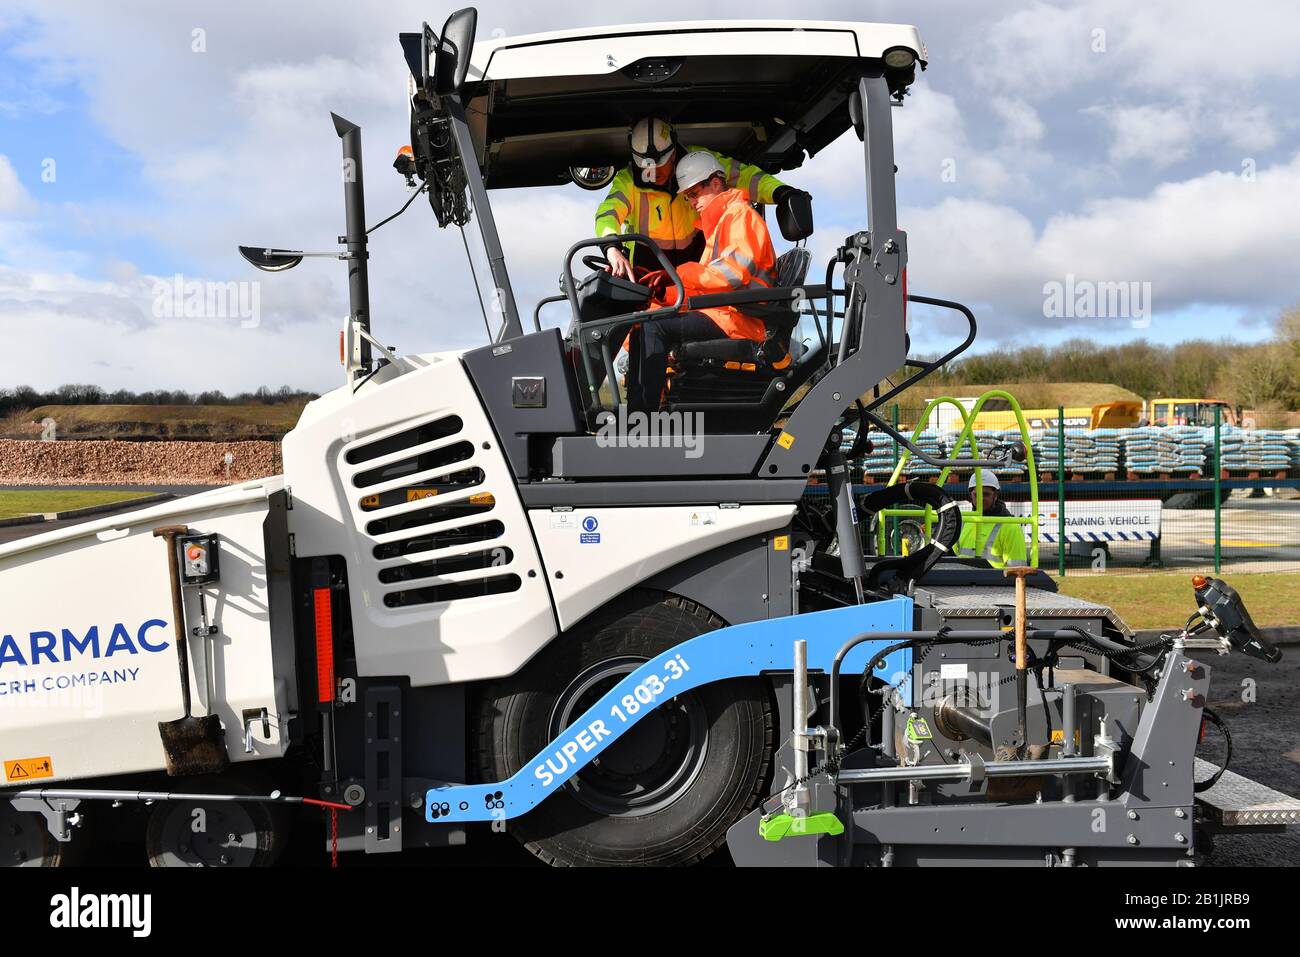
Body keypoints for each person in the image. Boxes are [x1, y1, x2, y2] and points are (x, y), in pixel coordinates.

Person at [624, 151, 778, 413]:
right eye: (688, 197)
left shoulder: (740, 216)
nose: (692, 202)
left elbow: (732, 273)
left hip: (742, 318)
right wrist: (663, 293)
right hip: (724, 312)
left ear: (716, 183)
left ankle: (642, 416)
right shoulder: (719, 225)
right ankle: (643, 408)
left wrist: (680, 273)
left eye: (695, 194)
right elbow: (704, 285)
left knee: (655, 328)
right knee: (642, 320)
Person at [595, 117, 808, 279]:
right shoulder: (628, 180)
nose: (654, 171)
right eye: (646, 165)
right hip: (647, 274)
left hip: (701, 272)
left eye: (660, 164)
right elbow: (607, 213)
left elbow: (747, 176)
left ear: (673, 152)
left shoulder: (699, 164)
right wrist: (612, 248)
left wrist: (781, 192)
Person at [957, 471, 1028, 568]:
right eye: (976, 495)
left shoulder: (1011, 527)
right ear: (971, 495)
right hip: (962, 581)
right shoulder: (964, 522)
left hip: (996, 582)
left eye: (986, 494)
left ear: (995, 495)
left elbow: (1018, 571)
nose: (981, 499)